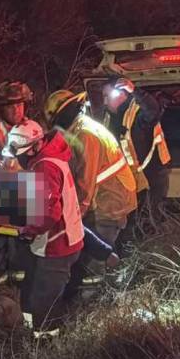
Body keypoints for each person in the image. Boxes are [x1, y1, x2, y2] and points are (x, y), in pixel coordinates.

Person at [45, 89, 137, 287]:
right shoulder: (81, 129)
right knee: (94, 254)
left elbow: (85, 184)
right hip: (109, 199)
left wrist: (72, 216)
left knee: (94, 262)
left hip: (109, 203)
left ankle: (93, 299)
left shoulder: (85, 135)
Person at [2, 120, 83, 340]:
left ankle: (45, 343)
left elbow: (49, 213)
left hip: (57, 243)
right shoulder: (48, 157)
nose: (19, 159)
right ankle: (31, 331)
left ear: (35, 147)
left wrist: (28, 230)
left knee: (44, 300)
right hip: (60, 238)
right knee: (36, 289)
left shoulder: (45, 166)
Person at [100, 76, 172, 232]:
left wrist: (135, 90)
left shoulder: (138, 112)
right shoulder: (109, 116)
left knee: (151, 218)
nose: (105, 102)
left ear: (121, 94)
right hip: (129, 176)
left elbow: (153, 110)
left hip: (152, 173)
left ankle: (155, 248)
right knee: (134, 219)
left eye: (107, 96)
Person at [0, 80, 34, 285]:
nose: (16, 109)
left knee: (22, 243)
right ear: (1, 108)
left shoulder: (33, 129)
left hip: (27, 190)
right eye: (10, 105)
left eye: (20, 104)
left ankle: (19, 285)